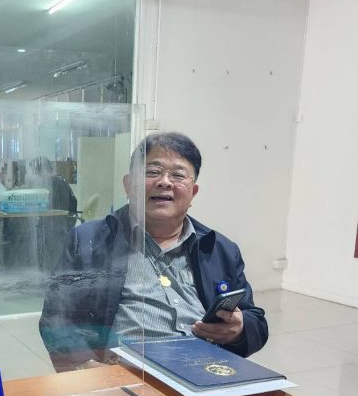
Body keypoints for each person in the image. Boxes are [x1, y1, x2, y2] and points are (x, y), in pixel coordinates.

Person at [39, 131, 268, 372]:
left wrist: (239, 329)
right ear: (129, 185)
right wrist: (87, 367)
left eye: (178, 175)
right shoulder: (88, 241)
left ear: (193, 192)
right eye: (152, 172)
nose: (165, 182)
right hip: (128, 376)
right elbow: (56, 318)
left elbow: (256, 321)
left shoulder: (220, 249)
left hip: (205, 372)